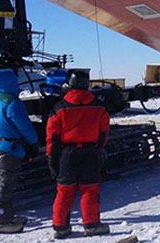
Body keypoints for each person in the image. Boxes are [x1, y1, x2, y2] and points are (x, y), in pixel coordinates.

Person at [46, 69, 111, 239]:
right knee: (90, 190)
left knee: (64, 191)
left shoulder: (59, 109)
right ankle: (91, 225)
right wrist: (97, 149)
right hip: (90, 152)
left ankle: (60, 227)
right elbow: (104, 132)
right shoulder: (99, 107)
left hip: (67, 154)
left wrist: (52, 159)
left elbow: (52, 137)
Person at [0, 68, 40, 235]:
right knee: (6, 186)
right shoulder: (12, 102)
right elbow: (25, 126)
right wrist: (33, 144)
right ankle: (1, 222)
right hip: (10, 151)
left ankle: (7, 217)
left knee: (6, 185)